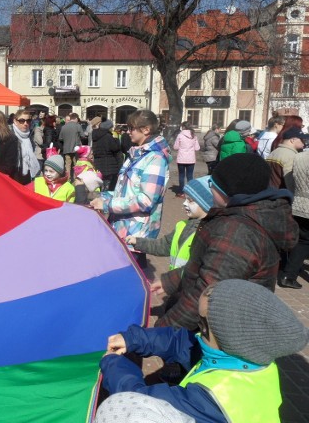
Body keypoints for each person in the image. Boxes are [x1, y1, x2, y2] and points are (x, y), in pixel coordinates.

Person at [100, 279, 308, 423]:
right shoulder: (250, 358)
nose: (197, 331)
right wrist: (134, 338)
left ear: (230, 339)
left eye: (203, 326)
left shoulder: (212, 400)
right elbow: (180, 343)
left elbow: (137, 402)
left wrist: (113, 363)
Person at [153, 153, 298, 330]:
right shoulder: (242, 216)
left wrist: (160, 331)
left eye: (213, 184)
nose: (210, 188)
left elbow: (207, 293)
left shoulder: (237, 233)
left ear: (227, 192)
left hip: (219, 330)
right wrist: (172, 280)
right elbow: (211, 267)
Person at [90, 110, 171, 268]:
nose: (128, 132)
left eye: (131, 128)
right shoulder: (137, 154)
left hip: (135, 234)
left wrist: (107, 204)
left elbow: (146, 201)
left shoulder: (155, 159)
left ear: (146, 129)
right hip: (122, 228)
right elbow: (125, 192)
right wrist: (102, 197)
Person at [127, 176, 212, 272]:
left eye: (190, 201)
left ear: (206, 205)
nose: (184, 203)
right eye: (185, 199)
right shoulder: (182, 226)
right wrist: (137, 242)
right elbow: (163, 245)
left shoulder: (209, 233)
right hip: (176, 283)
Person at [279, 149, 309, 289]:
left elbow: (290, 178)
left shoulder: (299, 157)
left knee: (302, 241)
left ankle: (288, 276)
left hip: (299, 203)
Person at [92, 119, 122, 191]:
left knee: (100, 184)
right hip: (109, 164)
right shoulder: (108, 136)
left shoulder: (95, 136)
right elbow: (115, 148)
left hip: (98, 163)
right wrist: (116, 140)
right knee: (108, 186)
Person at [11, 109, 40, 185]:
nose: (25, 123)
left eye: (28, 121)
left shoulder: (28, 135)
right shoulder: (10, 136)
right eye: (22, 121)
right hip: (14, 177)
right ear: (15, 121)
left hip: (28, 176)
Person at [174, 122, 200, 197]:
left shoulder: (180, 135)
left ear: (183, 127)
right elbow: (197, 148)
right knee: (190, 176)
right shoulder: (194, 136)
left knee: (181, 175)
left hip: (181, 159)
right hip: (191, 159)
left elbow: (175, 147)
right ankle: (190, 193)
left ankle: (181, 192)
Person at [58, 112, 85, 178]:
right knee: (76, 165)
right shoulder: (78, 126)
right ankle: (76, 179)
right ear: (75, 118)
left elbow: (60, 138)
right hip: (76, 149)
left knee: (67, 165)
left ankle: (67, 179)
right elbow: (83, 136)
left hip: (66, 149)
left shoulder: (64, 127)